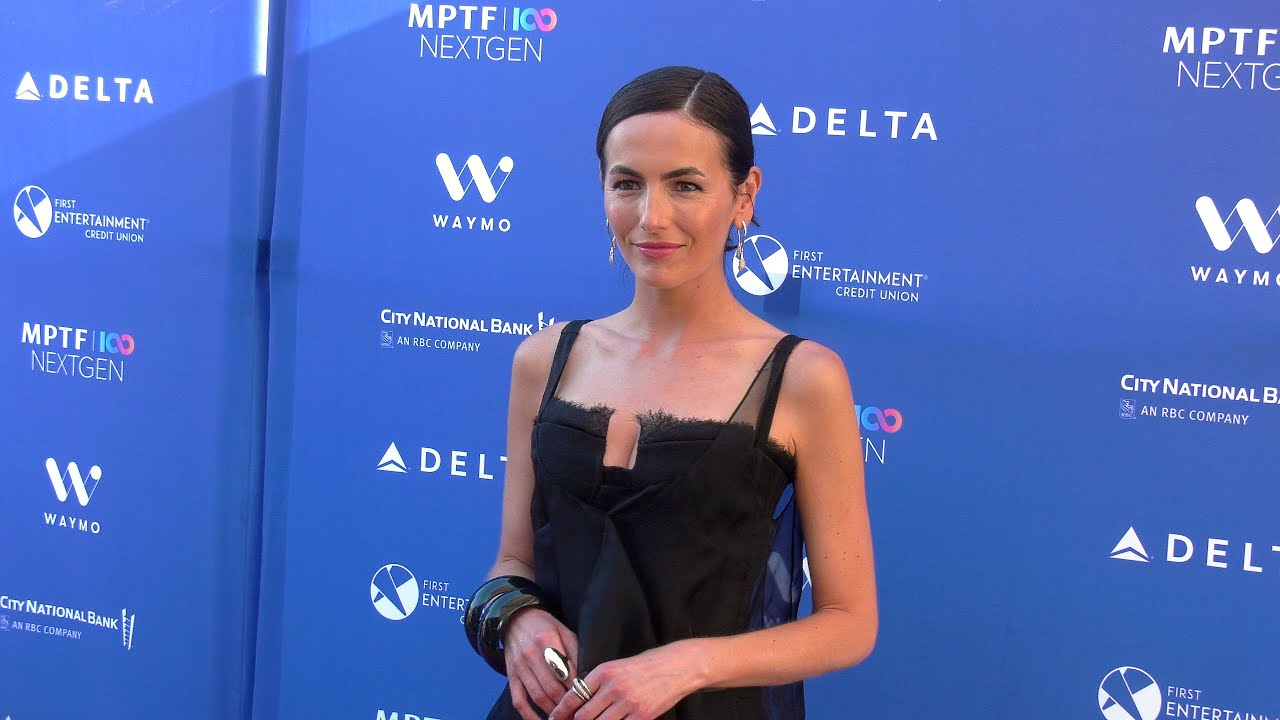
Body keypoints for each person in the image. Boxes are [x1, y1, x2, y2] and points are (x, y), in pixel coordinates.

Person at [467, 66, 877, 720]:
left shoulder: (803, 378)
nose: (651, 217)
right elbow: (512, 561)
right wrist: (515, 620)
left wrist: (688, 665)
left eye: (685, 185)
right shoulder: (543, 360)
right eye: (627, 183)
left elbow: (849, 623)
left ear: (744, 195)